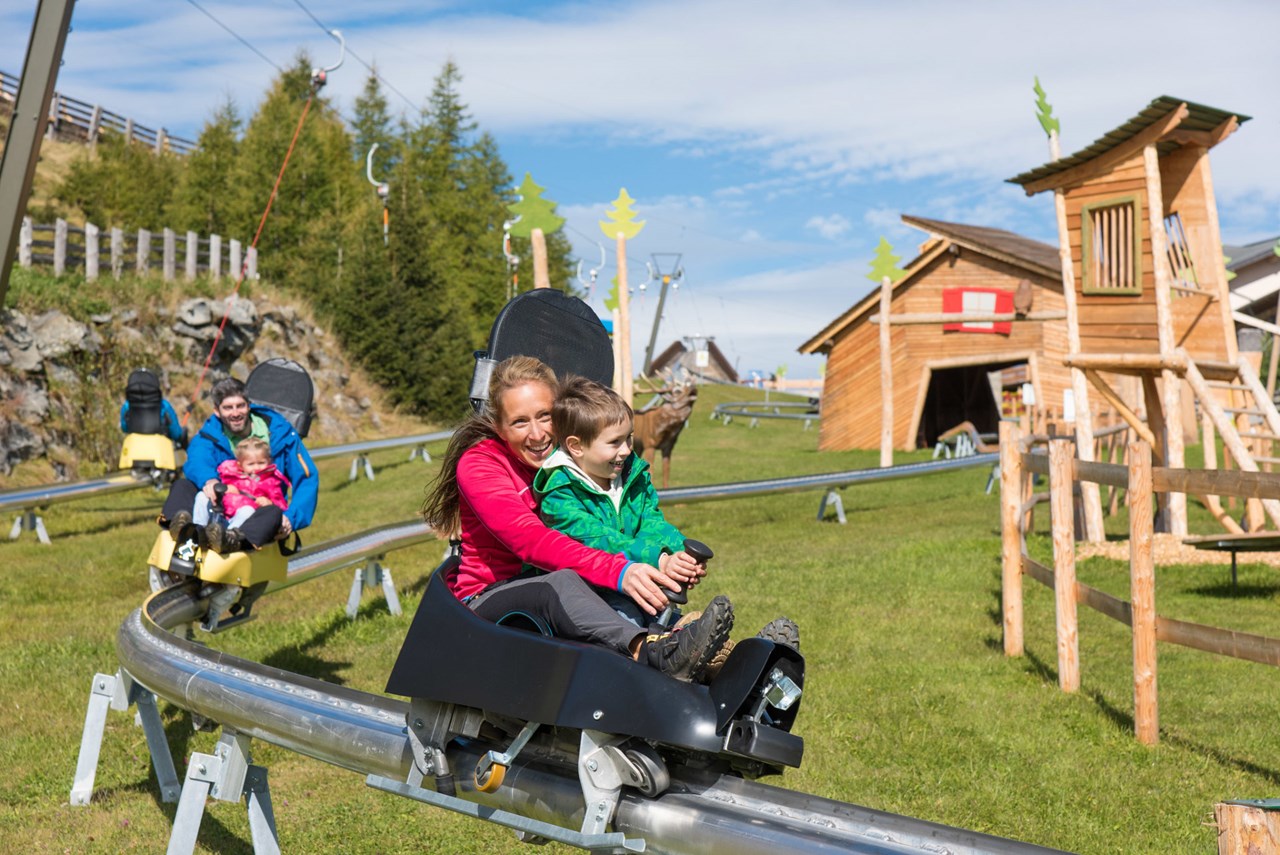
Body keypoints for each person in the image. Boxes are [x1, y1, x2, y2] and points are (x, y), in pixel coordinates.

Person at [421, 356, 733, 683]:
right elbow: (531, 541)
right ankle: (650, 650)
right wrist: (620, 570)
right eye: (520, 422)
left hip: (563, 584)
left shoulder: (572, 458)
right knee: (559, 584)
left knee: (590, 584)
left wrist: (664, 556)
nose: (538, 434)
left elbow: (618, 522)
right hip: (490, 597)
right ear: (500, 427)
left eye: (545, 416)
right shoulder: (481, 464)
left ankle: (719, 653)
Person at [535, 377, 800, 668]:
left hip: (640, 584)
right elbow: (597, 539)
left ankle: (743, 665)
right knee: (630, 620)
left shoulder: (629, 475)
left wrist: (678, 554)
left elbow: (652, 521)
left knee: (662, 616)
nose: (626, 450)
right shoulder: (559, 493)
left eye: (628, 438)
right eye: (614, 442)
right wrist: (658, 560)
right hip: (593, 592)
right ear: (576, 446)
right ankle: (687, 658)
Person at [159, 377, 318, 552]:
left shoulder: (282, 434)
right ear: (217, 411)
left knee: (273, 513)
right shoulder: (210, 434)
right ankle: (183, 532)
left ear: (249, 406)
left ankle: (231, 540)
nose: (235, 413)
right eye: (228, 408)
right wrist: (210, 480)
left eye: (240, 406)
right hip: (221, 505)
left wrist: (290, 518)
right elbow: (197, 459)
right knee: (182, 486)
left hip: (258, 510)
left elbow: (306, 478)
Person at [200, 437, 291, 554]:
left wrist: (270, 503)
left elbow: (280, 504)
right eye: (251, 464)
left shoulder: (271, 481)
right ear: (240, 464)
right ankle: (198, 531)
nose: (256, 468)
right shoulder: (230, 475)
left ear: (269, 461)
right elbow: (219, 493)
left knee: (247, 510)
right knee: (201, 496)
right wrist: (226, 489)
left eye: (261, 463)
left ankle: (229, 539)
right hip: (223, 515)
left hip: (245, 523)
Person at [119, 367, 186, 447]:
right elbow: (176, 433)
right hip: (159, 449)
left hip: (134, 447)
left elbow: (124, 428)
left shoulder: (127, 406)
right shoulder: (164, 406)